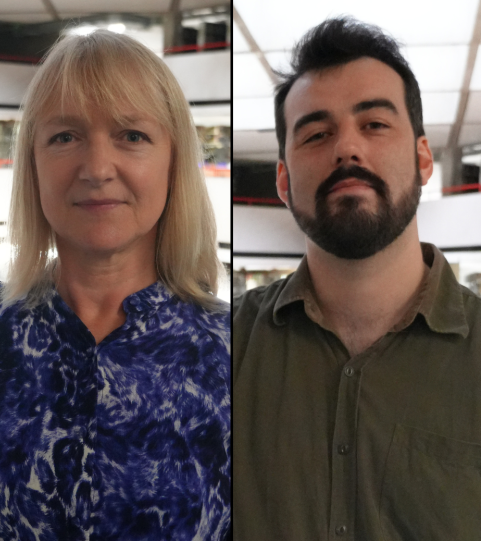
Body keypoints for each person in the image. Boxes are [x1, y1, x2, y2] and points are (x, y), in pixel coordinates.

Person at [232, 17, 481, 540]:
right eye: (317, 133)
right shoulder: (224, 348)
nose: (347, 149)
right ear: (283, 179)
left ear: (422, 158)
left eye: (374, 124)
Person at [0, 31, 230, 540]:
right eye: (64, 137)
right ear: (32, 164)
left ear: (173, 161)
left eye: (131, 136)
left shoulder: (236, 351)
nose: (96, 169)